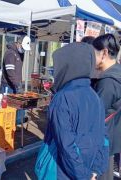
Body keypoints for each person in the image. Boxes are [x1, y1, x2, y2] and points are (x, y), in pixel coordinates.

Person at [40, 43, 108, 179]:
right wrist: (95, 171)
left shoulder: (62, 98)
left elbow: (66, 146)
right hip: (89, 167)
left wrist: (84, 176)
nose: (55, 70)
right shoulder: (95, 96)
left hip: (62, 171)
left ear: (68, 65)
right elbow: (103, 137)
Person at [93, 34, 121, 179]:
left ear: (104, 53)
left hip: (103, 140)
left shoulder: (108, 81)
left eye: (94, 54)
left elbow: (97, 114)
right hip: (113, 135)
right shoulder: (118, 73)